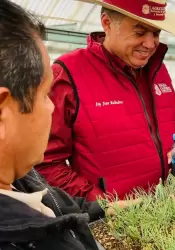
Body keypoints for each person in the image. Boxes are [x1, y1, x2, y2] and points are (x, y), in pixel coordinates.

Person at [0, 1, 137, 249]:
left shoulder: (20, 177)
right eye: (44, 95)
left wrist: (108, 206)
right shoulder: (20, 238)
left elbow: (58, 202)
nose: (52, 107)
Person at [35, 0, 175, 201]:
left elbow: (170, 127)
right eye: (139, 32)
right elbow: (45, 163)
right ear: (107, 23)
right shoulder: (69, 74)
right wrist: (102, 204)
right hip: (112, 223)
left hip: (169, 208)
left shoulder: (158, 70)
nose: (150, 44)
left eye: (156, 33)